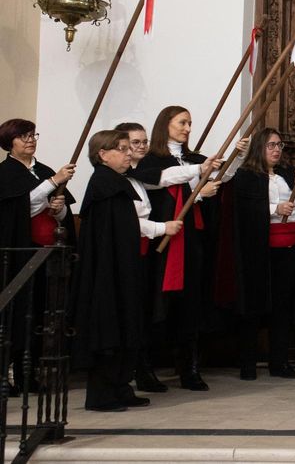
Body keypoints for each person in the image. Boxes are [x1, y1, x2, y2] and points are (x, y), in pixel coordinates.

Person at [129, 106, 247, 391]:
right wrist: (197, 191)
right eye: (182, 122)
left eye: (190, 123)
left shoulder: (194, 158)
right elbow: (164, 180)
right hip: (163, 240)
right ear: (165, 124)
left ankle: (189, 367)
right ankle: (145, 368)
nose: (187, 128)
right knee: (156, 303)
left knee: (191, 303)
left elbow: (222, 174)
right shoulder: (151, 160)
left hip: (192, 239)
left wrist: (237, 154)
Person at [71, 130, 146, 411]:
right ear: (103, 154)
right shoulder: (104, 186)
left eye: (129, 148)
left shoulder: (116, 183)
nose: (129, 153)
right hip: (107, 271)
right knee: (109, 323)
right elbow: (104, 240)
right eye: (123, 148)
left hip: (122, 266)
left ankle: (120, 385)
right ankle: (102, 393)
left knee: (126, 321)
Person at [0, 119, 75, 392]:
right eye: (23, 136)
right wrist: (53, 183)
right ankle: (6, 373)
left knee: (40, 314)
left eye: (33, 135)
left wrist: (59, 208)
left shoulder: (43, 171)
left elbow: (60, 212)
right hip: (20, 253)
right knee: (17, 314)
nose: (30, 140)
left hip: (46, 254)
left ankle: (28, 374)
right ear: (10, 142)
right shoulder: (6, 173)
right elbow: (22, 209)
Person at [231, 128, 295, 380]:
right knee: (254, 303)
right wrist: (276, 208)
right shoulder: (246, 175)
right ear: (258, 148)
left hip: (289, 246)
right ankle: (248, 363)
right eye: (270, 145)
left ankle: (280, 361)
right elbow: (244, 208)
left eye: (279, 145)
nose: (276, 149)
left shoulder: (288, 174)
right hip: (258, 247)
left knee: (282, 306)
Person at [114, 122, 185, 394]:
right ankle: (134, 370)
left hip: (145, 255)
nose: (141, 146)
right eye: (134, 142)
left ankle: (143, 368)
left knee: (144, 314)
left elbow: (168, 177)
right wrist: (162, 228)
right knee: (131, 314)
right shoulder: (117, 179)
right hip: (129, 254)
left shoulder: (140, 175)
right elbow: (130, 220)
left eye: (144, 141)